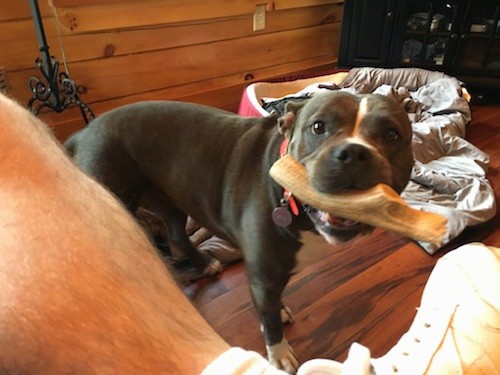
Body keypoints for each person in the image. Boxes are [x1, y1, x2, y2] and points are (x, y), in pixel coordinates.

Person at [1, 93, 498, 375]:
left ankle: (184, 251)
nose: (352, 150)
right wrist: (274, 329)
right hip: (115, 149)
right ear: (288, 129)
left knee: (178, 221)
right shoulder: (268, 198)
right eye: (322, 128)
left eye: (387, 135)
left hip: (155, 158)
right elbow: (264, 280)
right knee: (115, 255)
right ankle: (266, 349)